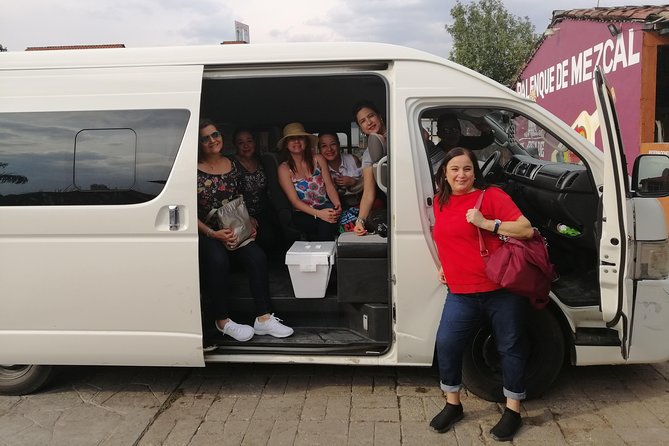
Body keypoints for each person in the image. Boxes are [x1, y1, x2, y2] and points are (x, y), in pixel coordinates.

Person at [430, 147, 534, 441]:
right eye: (454, 169)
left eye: (466, 168)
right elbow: (444, 237)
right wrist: (444, 266)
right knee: (447, 344)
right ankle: (453, 404)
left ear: (475, 171)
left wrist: (487, 223)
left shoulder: (491, 197)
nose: (461, 174)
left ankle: (513, 410)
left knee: (510, 347)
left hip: (501, 290)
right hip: (461, 292)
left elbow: (525, 229)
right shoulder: (440, 202)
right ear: (445, 174)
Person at [197, 119, 293, 342]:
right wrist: (213, 234)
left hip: (234, 228)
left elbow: (241, 199)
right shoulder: (192, 169)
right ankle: (222, 320)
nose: (212, 140)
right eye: (205, 138)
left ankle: (263, 319)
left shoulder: (232, 164)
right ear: (199, 143)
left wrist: (248, 221)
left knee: (257, 256)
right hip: (207, 232)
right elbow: (186, 209)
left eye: (215, 134)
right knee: (218, 260)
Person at [277, 122, 342, 241]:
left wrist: (337, 205)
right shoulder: (284, 169)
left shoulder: (318, 159)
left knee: (330, 218)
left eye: (300, 138)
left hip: (325, 205)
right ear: (286, 144)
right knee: (325, 222)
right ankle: (324, 257)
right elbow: (295, 202)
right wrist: (319, 214)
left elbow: (329, 186)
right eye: (292, 139)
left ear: (306, 141)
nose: (297, 142)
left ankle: (327, 255)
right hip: (303, 212)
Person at [232, 128, 281, 252]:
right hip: (239, 214)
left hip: (263, 211)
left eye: (249, 141)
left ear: (255, 143)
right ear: (235, 145)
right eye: (241, 142)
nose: (246, 145)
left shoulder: (262, 161)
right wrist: (246, 217)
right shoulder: (230, 164)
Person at [352, 100, 387, 236]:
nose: (369, 122)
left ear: (380, 116)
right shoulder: (368, 155)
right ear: (361, 128)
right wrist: (360, 221)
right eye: (363, 121)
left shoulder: (400, 133)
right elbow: (368, 193)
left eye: (371, 116)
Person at [318, 131, 362, 207]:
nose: (329, 149)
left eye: (333, 144)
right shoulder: (318, 168)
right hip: (334, 206)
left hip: (360, 202)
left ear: (338, 145)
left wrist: (354, 182)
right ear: (319, 149)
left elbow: (368, 182)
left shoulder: (353, 160)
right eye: (324, 146)